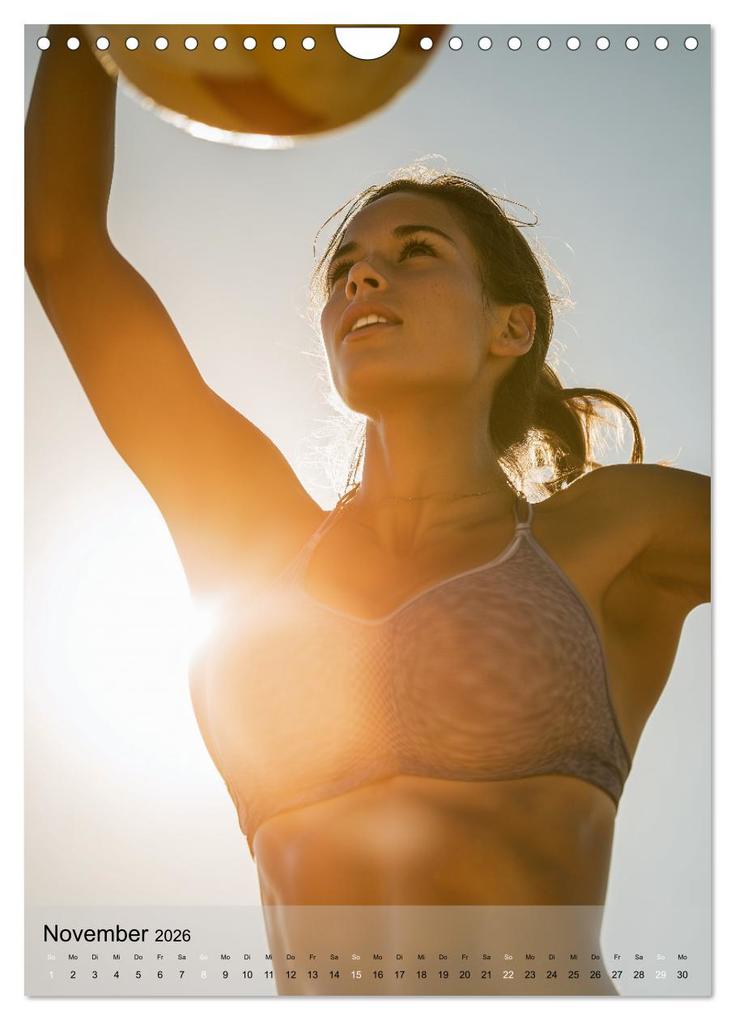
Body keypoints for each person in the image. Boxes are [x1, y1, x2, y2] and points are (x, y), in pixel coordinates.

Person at [26, 27, 710, 996]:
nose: (361, 276)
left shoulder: (613, 534)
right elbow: (62, 250)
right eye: (343, 267)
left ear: (510, 328)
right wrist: (83, 26)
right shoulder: (254, 540)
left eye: (414, 251)